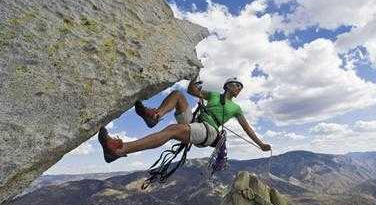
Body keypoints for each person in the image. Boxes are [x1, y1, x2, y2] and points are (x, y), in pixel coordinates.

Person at [98, 75, 272, 163]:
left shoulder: (236, 108)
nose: (239, 88)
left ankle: (119, 150)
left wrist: (260, 144)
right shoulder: (212, 95)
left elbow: (247, 128)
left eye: (241, 87)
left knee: (173, 130)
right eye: (237, 85)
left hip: (209, 132)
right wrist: (195, 75)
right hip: (196, 122)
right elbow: (191, 91)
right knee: (178, 95)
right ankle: (155, 116)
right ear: (228, 86)